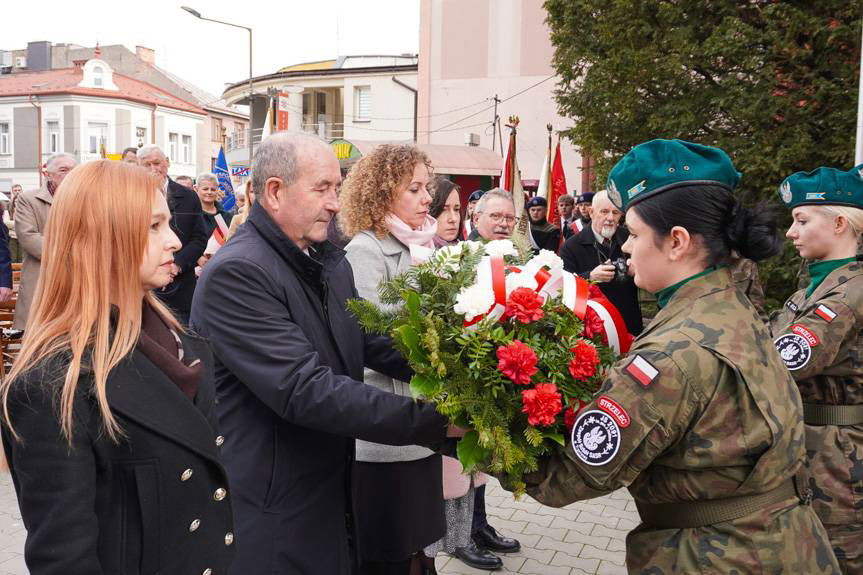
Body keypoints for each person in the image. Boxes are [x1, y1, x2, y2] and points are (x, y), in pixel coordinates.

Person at [520, 139, 839, 573]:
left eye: (633, 233)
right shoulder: (731, 301)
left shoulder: (672, 351)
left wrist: (460, 433)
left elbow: (566, 478)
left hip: (716, 555)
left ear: (677, 241)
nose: (627, 248)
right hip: (782, 544)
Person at [189, 133, 458, 575]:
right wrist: (438, 420)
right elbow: (306, 389)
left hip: (326, 488)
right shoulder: (238, 273)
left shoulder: (320, 259)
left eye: (337, 187)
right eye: (322, 188)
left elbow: (368, 340)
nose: (336, 203)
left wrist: (463, 364)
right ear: (274, 192)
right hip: (272, 505)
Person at [0, 160, 235, 574]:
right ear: (102, 238)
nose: (176, 242)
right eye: (153, 226)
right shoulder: (56, 382)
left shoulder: (181, 345)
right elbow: (65, 559)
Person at [339, 144, 444, 575]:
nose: (426, 199)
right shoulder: (366, 250)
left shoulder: (423, 246)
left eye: (427, 188)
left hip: (420, 420)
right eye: (413, 189)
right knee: (390, 552)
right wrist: (436, 360)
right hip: (388, 428)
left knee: (419, 546)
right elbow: (365, 337)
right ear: (382, 194)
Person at [770, 165, 863, 574]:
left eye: (802, 220)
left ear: (840, 222)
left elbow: (783, 362)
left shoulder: (849, 293)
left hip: (840, 463)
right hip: (814, 448)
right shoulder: (811, 290)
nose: (791, 232)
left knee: (839, 560)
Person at [138, 145, 207, 324]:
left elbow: (199, 238)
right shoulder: (132, 198)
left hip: (181, 287)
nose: (153, 169)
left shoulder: (188, 196)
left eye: (157, 163)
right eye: (147, 165)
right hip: (144, 287)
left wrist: (176, 265)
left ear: (167, 163)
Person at [560, 190, 643, 335]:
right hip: (592, 328)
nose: (610, 218)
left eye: (615, 212)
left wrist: (639, 271)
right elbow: (564, 288)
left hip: (628, 322)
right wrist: (590, 277)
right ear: (591, 212)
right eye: (604, 212)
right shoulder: (571, 246)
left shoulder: (630, 238)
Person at [14, 153, 78, 330]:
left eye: (74, 171)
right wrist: (72, 253)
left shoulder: (85, 200)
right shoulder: (28, 199)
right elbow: (28, 237)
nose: (69, 175)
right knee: (37, 339)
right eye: (63, 170)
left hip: (76, 281)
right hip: (41, 280)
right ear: (47, 173)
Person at [195, 171, 234, 238]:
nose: (209, 192)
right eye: (205, 189)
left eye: (213, 189)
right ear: (196, 189)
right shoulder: (190, 214)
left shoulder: (227, 216)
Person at [3, 184, 22, 262]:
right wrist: (18, 223)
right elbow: (6, 223)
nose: (17, 192)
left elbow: (26, 222)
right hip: (11, 236)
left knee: (22, 259)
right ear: (12, 192)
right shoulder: (8, 205)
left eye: (19, 190)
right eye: (15, 190)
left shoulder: (26, 205)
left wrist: (13, 224)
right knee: (12, 258)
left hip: (22, 236)